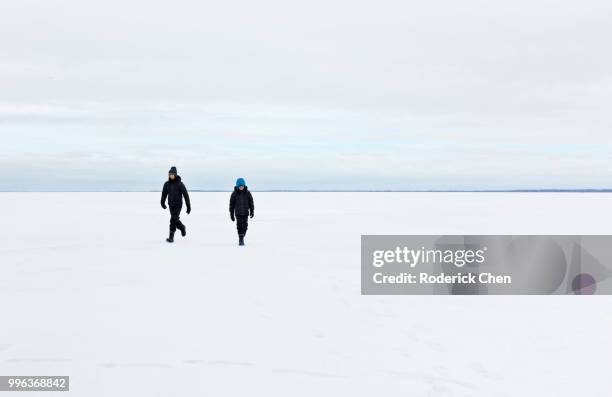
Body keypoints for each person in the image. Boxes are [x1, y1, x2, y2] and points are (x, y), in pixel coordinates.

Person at [161, 166, 191, 243]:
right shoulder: (166, 184)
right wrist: (162, 202)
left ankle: (171, 237)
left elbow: (186, 195)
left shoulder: (180, 184)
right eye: (169, 174)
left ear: (175, 174)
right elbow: (164, 194)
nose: (170, 175)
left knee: (173, 220)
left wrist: (188, 206)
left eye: (172, 174)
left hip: (178, 205)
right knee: (175, 220)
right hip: (171, 205)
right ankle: (182, 227)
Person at [229, 178, 254, 246]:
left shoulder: (248, 193)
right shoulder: (234, 194)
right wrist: (231, 214)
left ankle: (242, 236)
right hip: (238, 213)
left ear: (244, 185)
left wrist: (252, 211)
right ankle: (241, 240)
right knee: (240, 226)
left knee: (245, 226)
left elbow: (251, 202)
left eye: (242, 186)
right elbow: (231, 204)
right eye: (240, 186)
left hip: (245, 213)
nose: (241, 187)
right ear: (237, 186)